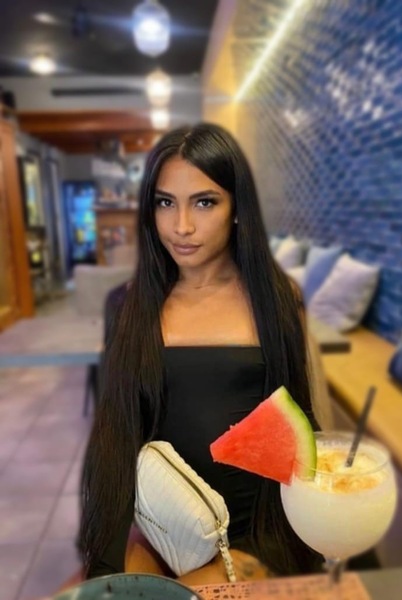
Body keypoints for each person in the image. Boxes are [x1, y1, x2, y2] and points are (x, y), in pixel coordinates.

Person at [78, 122, 323, 583]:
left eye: (205, 202)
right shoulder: (128, 306)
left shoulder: (278, 300)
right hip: (162, 531)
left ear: (237, 209)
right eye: (165, 202)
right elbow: (116, 440)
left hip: (260, 534)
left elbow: (298, 431)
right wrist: (111, 560)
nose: (182, 226)